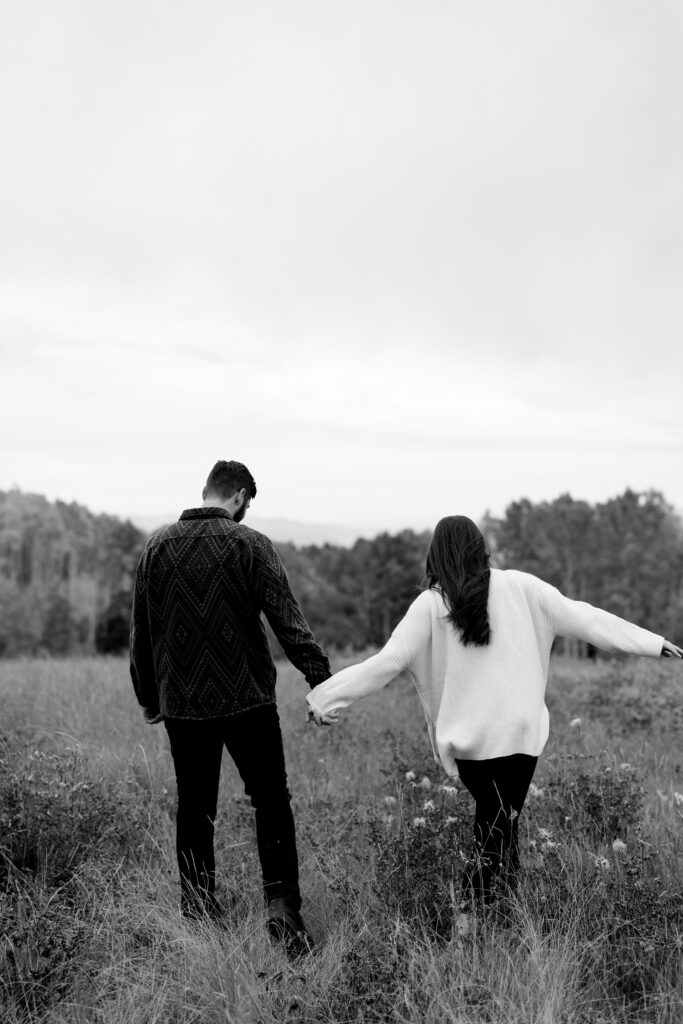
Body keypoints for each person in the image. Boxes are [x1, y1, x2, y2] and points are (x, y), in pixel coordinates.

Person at [307, 515, 681, 917]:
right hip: (520, 739)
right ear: (480, 548)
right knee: (500, 825)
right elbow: (586, 617)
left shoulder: (434, 603)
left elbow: (386, 663)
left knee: (498, 826)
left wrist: (325, 698)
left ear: (436, 554)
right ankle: (498, 915)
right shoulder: (522, 587)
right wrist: (651, 642)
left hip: (471, 746)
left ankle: (475, 917)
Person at [130, 459, 330, 956]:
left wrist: (151, 699)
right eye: (247, 504)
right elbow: (289, 622)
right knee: (270, 801)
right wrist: (322, 682)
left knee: (194, 808)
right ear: (239, 496)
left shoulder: (156, 546)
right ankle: (282, 906)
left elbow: (142, 635)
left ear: (206, 492)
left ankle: (198, 912)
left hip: (183, 704)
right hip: (247, 700)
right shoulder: (250, 544)